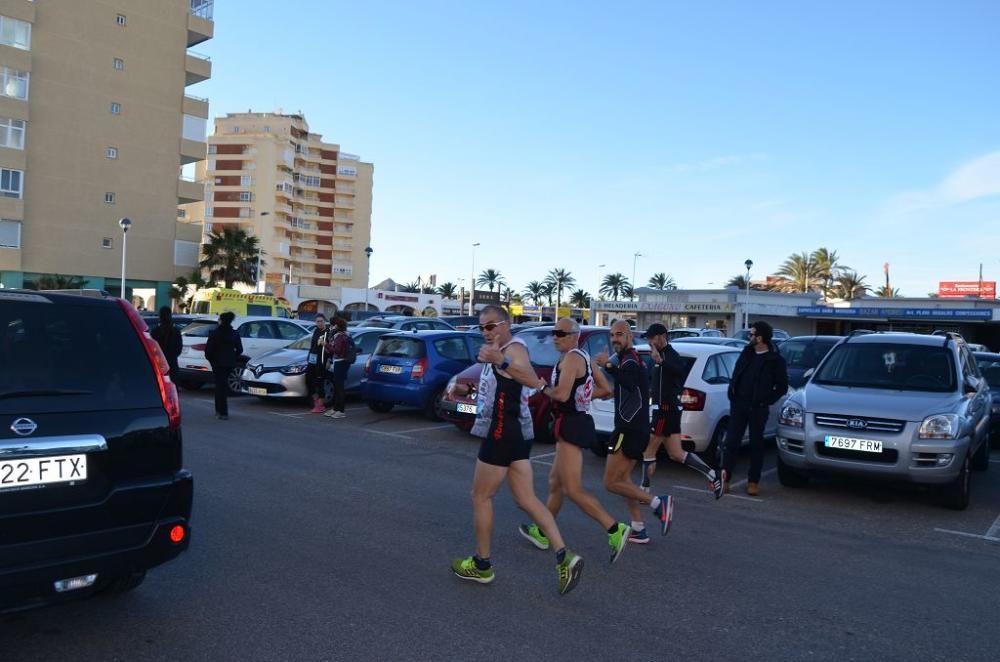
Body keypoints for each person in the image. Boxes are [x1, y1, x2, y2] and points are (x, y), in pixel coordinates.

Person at [450, 305, 583, 595]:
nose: (484, 331)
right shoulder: (501, 349)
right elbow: (497, 388)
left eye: (490, 325)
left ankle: (482, 565)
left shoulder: (515, 349)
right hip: (515, 435)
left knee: (481, 496)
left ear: (505, 324)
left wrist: (501, 359)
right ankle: (565, 556)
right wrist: (465, 393)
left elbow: (530, 378)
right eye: (481, 326)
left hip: (502, 433)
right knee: (527, 500)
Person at [518, 318, 631, 564]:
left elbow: (560, 394)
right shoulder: (582, 358)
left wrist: (539, 385)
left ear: (574, 335)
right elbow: (605, 390)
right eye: (553, 332)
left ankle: (614, 528)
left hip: (571, 425)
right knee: (555, 483)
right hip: (572, 422)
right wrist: (583, 396)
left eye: (560, 333)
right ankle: (544, 531)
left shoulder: (571, 359)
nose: (554, 336)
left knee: (573, 489)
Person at [594, 320, 673, 540]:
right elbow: (628, 388)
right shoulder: (628, 359)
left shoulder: (629, 360)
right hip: (635, 428)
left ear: (629, 336)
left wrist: (607, 366)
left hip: (627, 429)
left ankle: (658, 503)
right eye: (611, 335)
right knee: (624, 480)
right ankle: (638, 527)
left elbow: (628, 382)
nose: (614, 339)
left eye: (619, 334)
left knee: (611, 483)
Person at [640, 322, 724, 503]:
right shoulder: (658, 357)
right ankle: (713, 474)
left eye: (652, 337)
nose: (649, 341)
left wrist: (661, 362)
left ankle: (643, 492)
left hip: (665, 411)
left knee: (648, 451)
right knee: (676, 454)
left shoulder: (671, 356)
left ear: (662, 336)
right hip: (664, 410)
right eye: (648, 338)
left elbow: (679, 371)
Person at [721, 320, 788, 496]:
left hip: (758, 408)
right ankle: (724, 479)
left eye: (752, 334)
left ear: (760, 338)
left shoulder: (775, 360)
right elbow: (736, 374)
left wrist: (766, 400)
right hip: (739, 405)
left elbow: (782, 387)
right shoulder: (747, 353)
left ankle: (753, 481)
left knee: (756, 445)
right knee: (731, 443)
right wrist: (732, 394)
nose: (749, 337)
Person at [204, 311, 243, 420]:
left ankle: (219, 411)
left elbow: (208, 351)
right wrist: (232, 358)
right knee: (223, 386)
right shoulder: (234, 334)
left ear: (221, 320)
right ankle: (224, 412)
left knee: (219, 387)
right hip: (229, 364)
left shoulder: (215, 333)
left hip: (218, 363)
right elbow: (240, 350)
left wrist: (213, 361)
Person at [324, 318, 350, 419]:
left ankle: (341, 410)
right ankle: (335, 408)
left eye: (333, 325)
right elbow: (332, 350)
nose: (332, 327)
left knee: (339, 387)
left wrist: (326, 345)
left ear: (338, 326)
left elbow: (337, 351)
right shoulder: (338, 336)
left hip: (341, 363)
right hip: (339, 362)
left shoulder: (341, 337)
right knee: (337, 386)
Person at [150, 306, 182, 383]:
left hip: (158, 365)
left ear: (160, 316)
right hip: (172, 365)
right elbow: (178, 349)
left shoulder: (155, 332)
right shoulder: (175, 332)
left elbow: (151, 348)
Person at [306, 314, 330, 414]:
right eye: (317, 321)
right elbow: (313, 345)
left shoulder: (328, 332)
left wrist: (329, 360)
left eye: (321, 321)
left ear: (325, 321)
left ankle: (320, 406)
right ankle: (316, 402)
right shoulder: (316, 331)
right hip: (312, 359)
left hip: (322, 360)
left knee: (319, 383)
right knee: (309, 380)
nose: (319, 323)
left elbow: (331, 348)